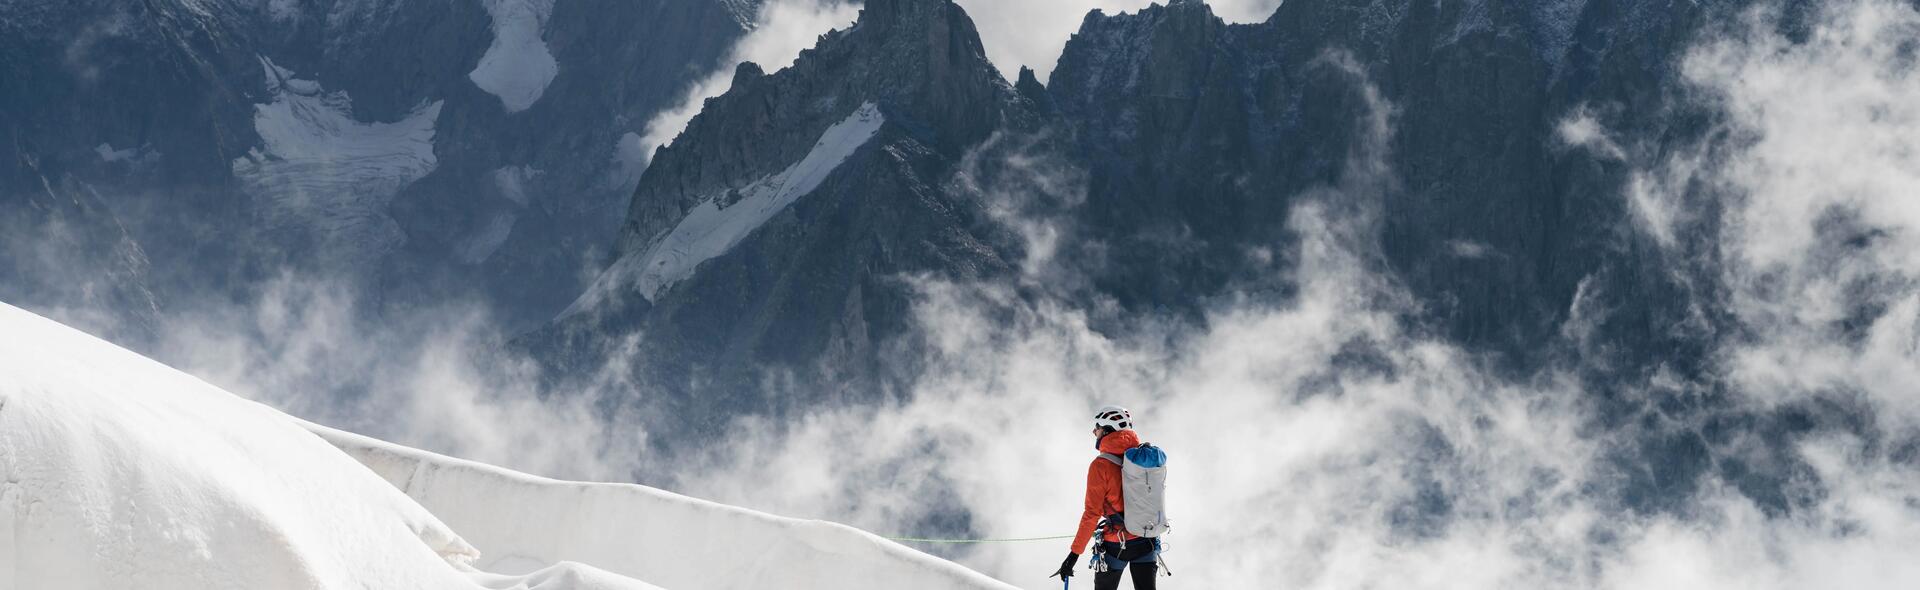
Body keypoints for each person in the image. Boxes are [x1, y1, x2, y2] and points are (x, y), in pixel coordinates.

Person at [1050, 405, 1158, 589]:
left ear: (1108, 430)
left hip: (1117, 545)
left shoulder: (1100, 466)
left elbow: (1092, 514)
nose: (1094, 431)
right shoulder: (1144, 457)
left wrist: (1072, 556)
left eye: (1097, 427)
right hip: (1146, 538)